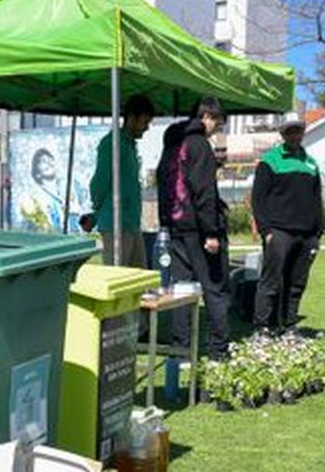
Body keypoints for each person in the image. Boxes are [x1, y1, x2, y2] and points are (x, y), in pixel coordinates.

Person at [156, 96, 232, 358]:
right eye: (218, 123)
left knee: (182, 290)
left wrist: (167, 222)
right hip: (200, 231)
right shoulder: (199, 145)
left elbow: (163, 182)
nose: (217, 129)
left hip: (176, 227)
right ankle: (218, 352)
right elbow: (205, 193)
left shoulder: (172, 144)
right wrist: (211, 232)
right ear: (207, 117)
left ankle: (180, 350)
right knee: (216, 291)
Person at [251, 114, 323, 335]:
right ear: (282, 133)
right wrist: (266, 231)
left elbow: (317, 198)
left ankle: (289, 325)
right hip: (279, 231)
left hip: (307, 235)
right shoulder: (270, 161)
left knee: (297, 283)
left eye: (297, 130)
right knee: (271, 282)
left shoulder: (311, 163)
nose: (294, 135)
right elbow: (258, 199)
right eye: (289, 131)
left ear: (302, 132)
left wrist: (317, 234)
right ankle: (263, 327)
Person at [89, 93, 156, 266]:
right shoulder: (112, 144)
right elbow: (100, 182)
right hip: (115, 225)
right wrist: (97, 210)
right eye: (145, 122)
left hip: (131, 223)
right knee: (117, 278)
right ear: (132, 118)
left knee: (140, 278)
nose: (147, 128)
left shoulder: (130, 146)